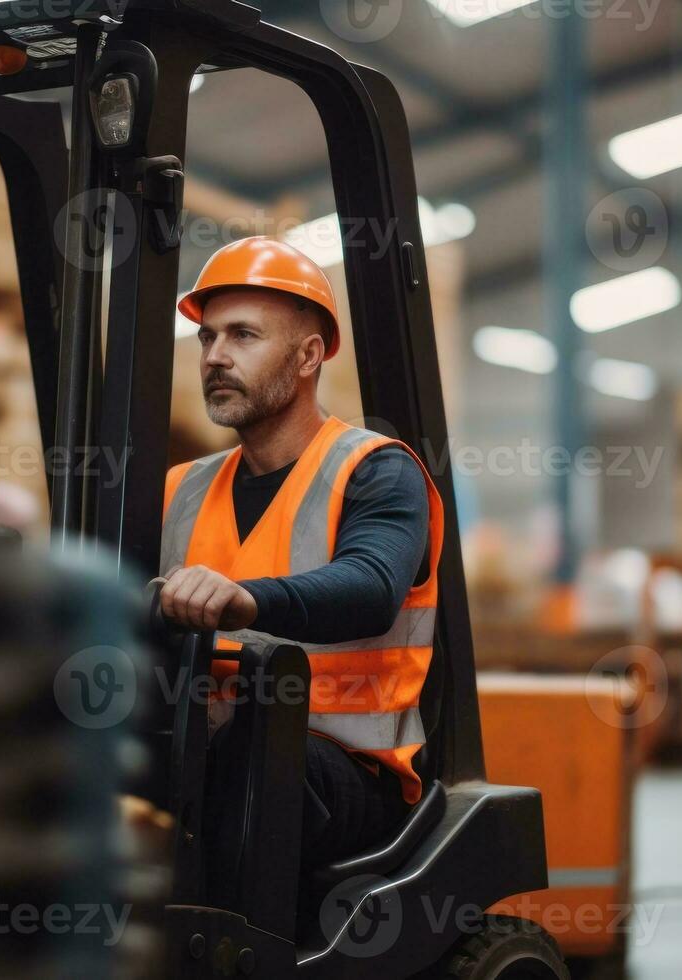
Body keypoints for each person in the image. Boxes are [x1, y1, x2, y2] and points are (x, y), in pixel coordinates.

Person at [157, 236, 444, 868]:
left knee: (249, 750)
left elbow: (370, 589)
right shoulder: (182, 486)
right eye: (207, 339)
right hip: (211, 740)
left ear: (309, 355)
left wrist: (243, 601)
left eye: (243, 336)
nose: (215, 357)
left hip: (347, 767)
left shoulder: (375, 470)